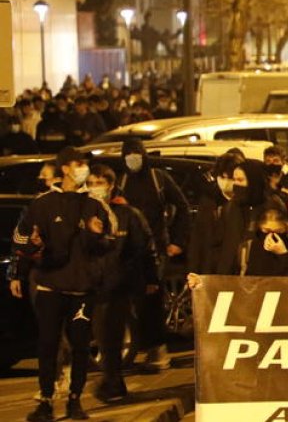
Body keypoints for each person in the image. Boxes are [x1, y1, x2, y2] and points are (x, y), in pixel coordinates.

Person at [11, 147, 113, 422]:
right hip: (50, 288)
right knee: (47, 345)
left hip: (81, 289)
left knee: (81, 346)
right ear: (65, 168)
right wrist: (19, 273)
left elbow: (107, 245)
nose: (84, 169)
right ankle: (45, 400)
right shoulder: (42, 204)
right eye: (79, 164)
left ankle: (75, 400)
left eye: (85, 165)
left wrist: (96, 236)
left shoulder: (96, 205)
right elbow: (23, 241)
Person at [117, 138, 190, 371]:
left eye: (136, 154)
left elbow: (182, 207)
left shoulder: (159, 179)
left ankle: (156, 350)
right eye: (128, 155)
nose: (132, 159)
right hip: (127, 251)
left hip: (156, 249)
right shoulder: (122, 180)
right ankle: (135, 346)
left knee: (152, 299)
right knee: (130, 301)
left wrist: (178, 241)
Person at [88, 165, 159, 403]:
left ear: (110, 185)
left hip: (118, 286)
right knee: (102, 337)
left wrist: (150, 279)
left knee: (111, 336)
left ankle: (112, 383)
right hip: (92, 285)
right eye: (91, 183)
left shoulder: (128, 214)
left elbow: (144, 248)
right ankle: (113, 383)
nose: (94, 188)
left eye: (99, 183)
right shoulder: (86, 212)